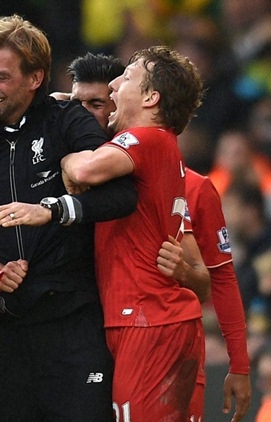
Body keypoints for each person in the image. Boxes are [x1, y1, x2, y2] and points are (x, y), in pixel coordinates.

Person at [0, 15, 138, 421]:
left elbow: (121, 195)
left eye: (2, 77)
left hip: (70, 317)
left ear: (35, 77)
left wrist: (54, 209)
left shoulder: (67, 121)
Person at [65, 51, 251, 422]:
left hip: (153, 330)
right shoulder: (116, 171)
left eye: (97, 102)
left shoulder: (194, 187)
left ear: (150, 98)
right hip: (106, 334)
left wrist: (240, 364)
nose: (115, 89)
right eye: (78, 105)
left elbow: (215, 277)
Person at [40, 45, 208, 420]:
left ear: (151, 98)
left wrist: (66, 153)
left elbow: (84, 172)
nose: (115, 85)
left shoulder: (146, 140)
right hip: (147, 319)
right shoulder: (162, 149)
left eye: (127, 78)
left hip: (149, 321)